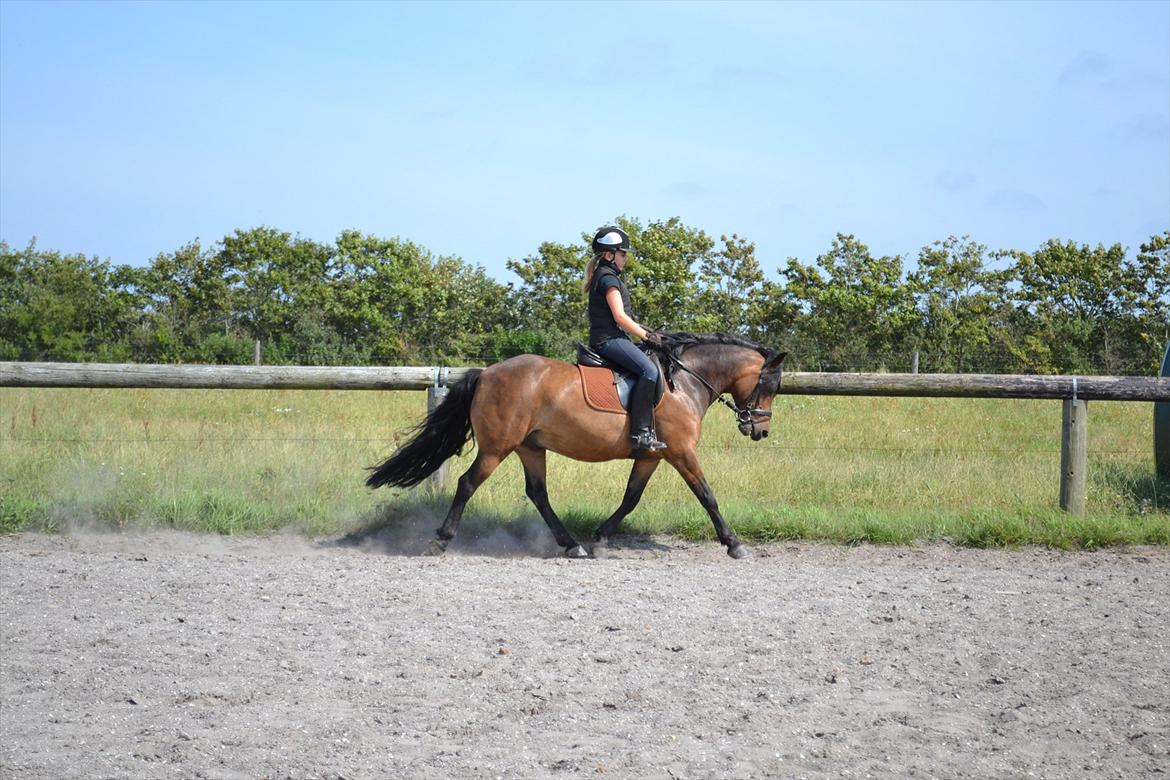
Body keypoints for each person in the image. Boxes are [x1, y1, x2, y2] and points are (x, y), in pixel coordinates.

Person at [583, 226, 667, 452]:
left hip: (611, 337)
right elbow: (620, 317)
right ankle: (640, 434)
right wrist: (646, 336)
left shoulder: (603, 275)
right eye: (623, 254)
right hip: (609, 340)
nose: (625, 259)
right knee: (648, 371)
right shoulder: (608, 278)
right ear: (609, 255)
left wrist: (644, 330)